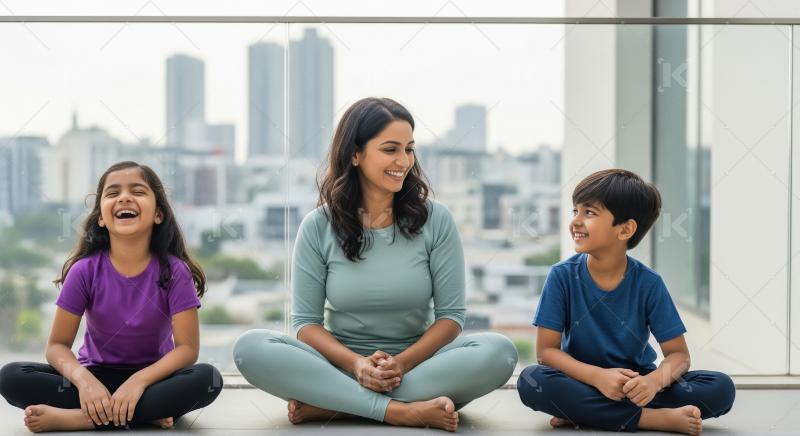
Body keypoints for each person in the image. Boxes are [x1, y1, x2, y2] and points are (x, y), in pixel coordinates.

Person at [234, 97, 518, 432]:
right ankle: (400, 411)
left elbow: (451, 317)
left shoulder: (437, 220)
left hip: (418, 368)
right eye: (390, 149)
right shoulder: (317, 226)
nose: (404, 161)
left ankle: (337, 406)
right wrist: (357, 365)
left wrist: (400, 364)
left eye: (409, 149)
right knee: (249, 348)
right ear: (355, 154)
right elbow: (305, 324)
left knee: (499, 352)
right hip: (338, 368)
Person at [0, 161, 222, 432]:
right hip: (95, 375)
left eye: (138, 191)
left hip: (154, 379)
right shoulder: (84, 270)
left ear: (159, 214)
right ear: (101, 217)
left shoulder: (175, 272)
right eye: (113, 192)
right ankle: (144, 414)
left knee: (207, 378)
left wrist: (138, 382)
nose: (125, 197)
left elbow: (187, 349)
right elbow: (56, 346)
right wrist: (85, 382)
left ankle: (83, 419)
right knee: (10, 377)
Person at [516, 169, 735, 435]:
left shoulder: (649, 283)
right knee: (532, 380)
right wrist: (598, 377)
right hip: (582, 381)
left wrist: (652, 383)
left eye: (589, 213)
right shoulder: (561, 276)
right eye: (575, 211)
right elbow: (546, 352)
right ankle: (652, 419)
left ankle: (586, 412)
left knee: (721, 388)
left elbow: (679, 355)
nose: (575, 221)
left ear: (625, 229)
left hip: (636, 387)